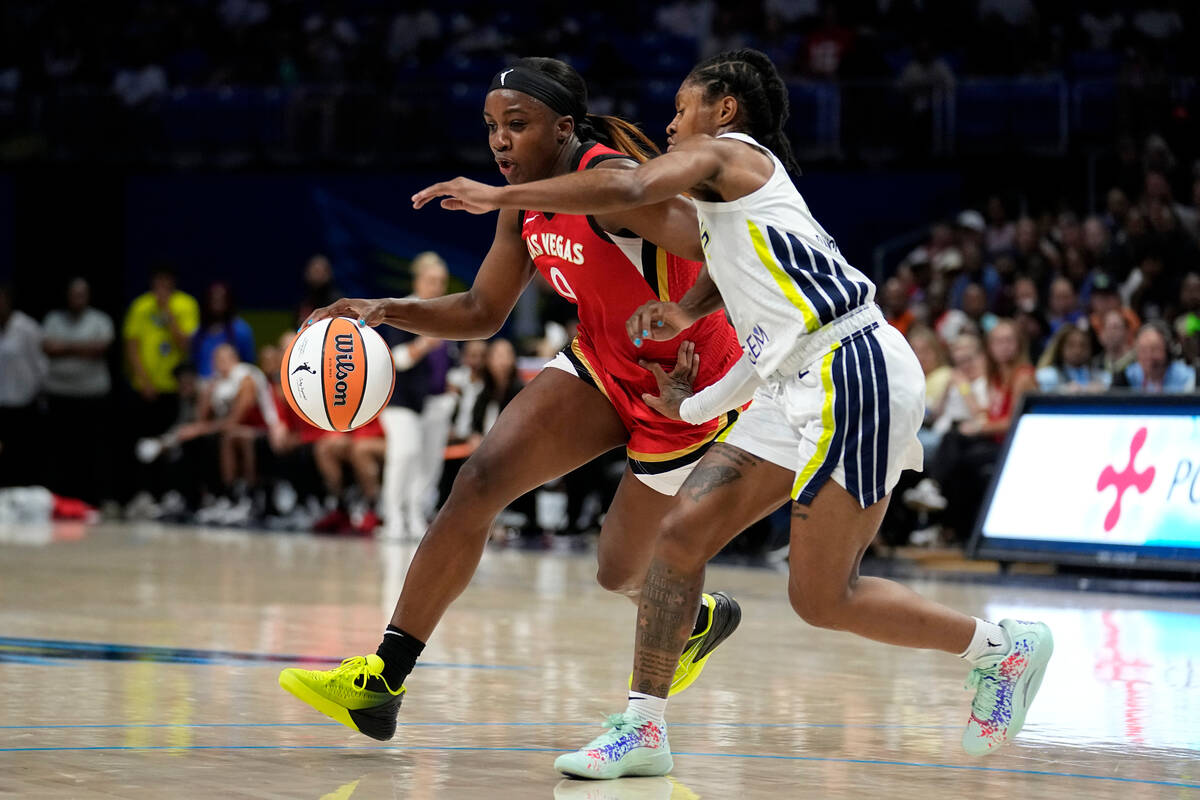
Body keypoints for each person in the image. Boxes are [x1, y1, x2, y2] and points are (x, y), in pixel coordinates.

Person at [416, 49, 1054, 776]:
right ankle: (643, 729)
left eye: (683, 107)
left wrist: (498, 198)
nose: (670, 121)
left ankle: (1004, 650)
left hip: (856, 369)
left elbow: (631, 184)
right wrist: (690, 359)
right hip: (793, 381)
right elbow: (750, 301)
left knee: (821, 598)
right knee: (680, 538)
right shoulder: (732, 211)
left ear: (724, 109)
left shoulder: (729, 155)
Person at [278, 57, 747, 742]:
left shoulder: (619, 184)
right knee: (479, 480)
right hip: (600, 362)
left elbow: (734, 248)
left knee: (617, 569)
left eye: (517, 125)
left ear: (563, 128)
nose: (500, 141)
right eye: (492, 127)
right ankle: (383, 679)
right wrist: (387, 308)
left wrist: (699, 331)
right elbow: (479, 309)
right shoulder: (524, 198)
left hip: (683, 386)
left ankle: (695, 617)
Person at [41, 278, 115, 505]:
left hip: (92, 395)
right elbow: (48, 348)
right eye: (74, 294)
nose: (77, 299)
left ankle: (92, 501)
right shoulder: (53, 319)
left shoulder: (100, 320)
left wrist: (65, 346)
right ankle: (58, 500)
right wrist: (83, 346)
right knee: (60, 452)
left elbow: (99, 348)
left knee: (91, 452)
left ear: (88, 296)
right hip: (58, 394)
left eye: (82, 294)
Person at [0, 284, 47, 488]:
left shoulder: (27, 327)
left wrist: (38, 392)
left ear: (8, 301)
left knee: (22, 455)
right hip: (1, 403)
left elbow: (41, 364)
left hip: (24, 403)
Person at [191, 281, 256, 379]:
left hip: (231, 385)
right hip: (202, 385)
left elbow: (249, 362)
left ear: (228, 301)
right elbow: (194, 360)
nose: (217, 304)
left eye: (221, 300)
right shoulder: (199, 331)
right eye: (213, 300)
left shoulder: (241, 330)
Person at [1111, 322, 1196, 393]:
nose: (1149, 356)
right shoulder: (1128, 376)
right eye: (1143, 350)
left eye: (1154, 349)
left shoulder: (1186, 376)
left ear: (1167, 351)